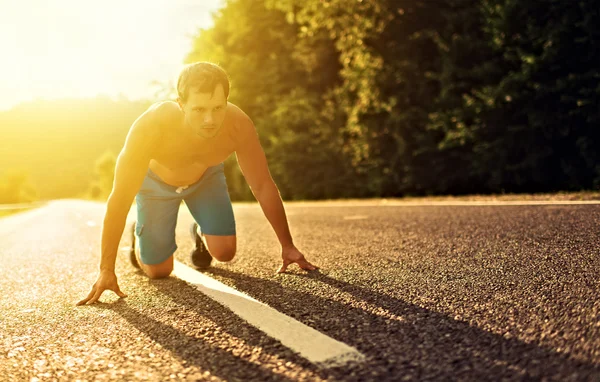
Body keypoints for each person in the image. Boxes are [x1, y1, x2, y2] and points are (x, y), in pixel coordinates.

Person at [77, 62, 318, 306]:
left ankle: (200, 231)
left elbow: (263, 185)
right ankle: (140, 235)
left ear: (226, 100)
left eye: (218, 107)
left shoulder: (238, 124)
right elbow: (120, 198)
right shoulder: (151, 126)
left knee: (225, 253)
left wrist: (287, 245)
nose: (210, 119)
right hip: (156, 187)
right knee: (159, 272)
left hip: (205, 179)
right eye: (199, 109)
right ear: (181, 104)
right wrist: (106, 268)